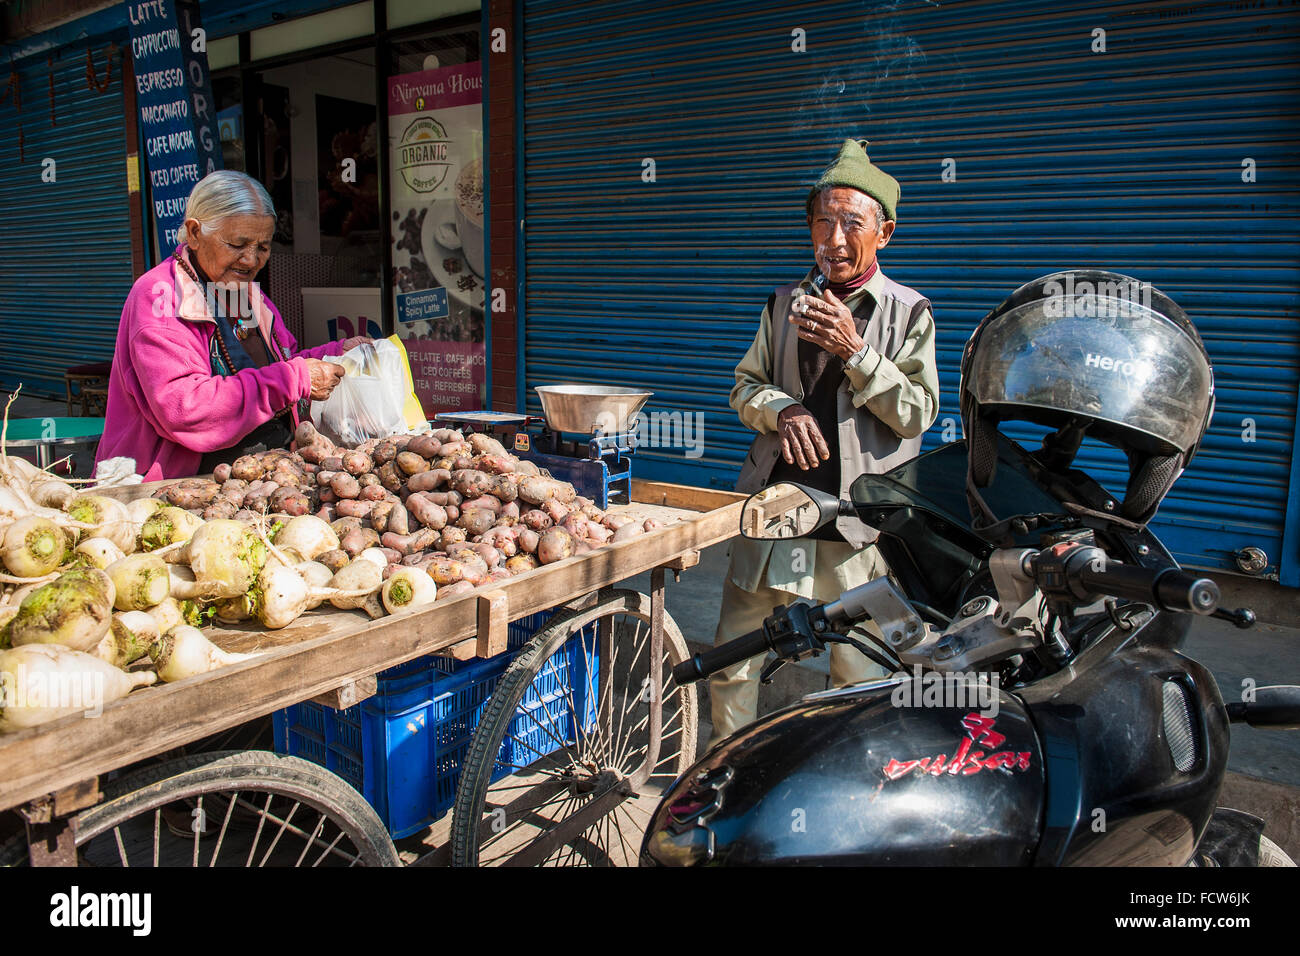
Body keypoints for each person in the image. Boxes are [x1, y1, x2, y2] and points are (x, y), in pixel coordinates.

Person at [709, 139, 940, 745]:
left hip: (856, 522)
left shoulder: (910, 312)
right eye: (822, 221)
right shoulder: (783, 302)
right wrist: (780, 409)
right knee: (736, 660)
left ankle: (839, 785)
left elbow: (917, 413)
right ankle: (727, 770)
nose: (834, 239)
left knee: (855, 669)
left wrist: (857, 353)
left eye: (852, 224)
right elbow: (744, 386)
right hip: (778, 511)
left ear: (884, 234)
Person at [96, 170, 370, 481]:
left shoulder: (240, 292)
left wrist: (335, 354)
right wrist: (295, 379)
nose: (251, 260)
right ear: (195, 233)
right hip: (176, 485)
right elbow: (186, 410)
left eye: (263, 247)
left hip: (257, 476)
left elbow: (279, 364)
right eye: (237, 244)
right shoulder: (161, 298)